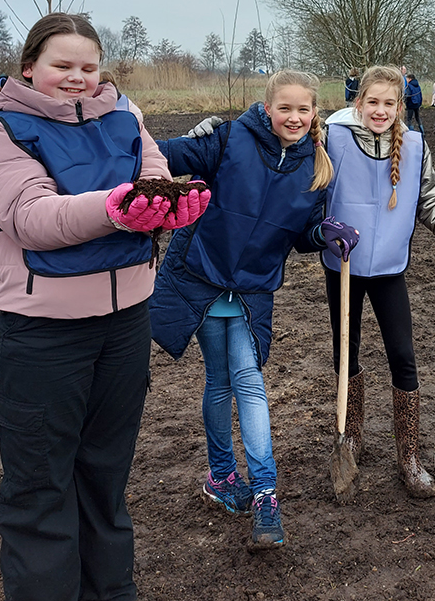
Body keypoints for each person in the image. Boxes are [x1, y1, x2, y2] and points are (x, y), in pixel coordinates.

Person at [0, 12, 209, 599]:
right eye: (62, 66)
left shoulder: (125, 116)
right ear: (30, 68)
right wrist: (119, 209)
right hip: (44, 332)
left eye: (89, 67)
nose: (77, 78)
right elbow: (32, 218)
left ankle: (111, 590)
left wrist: (168, 201)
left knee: (105, 473)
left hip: (125, 323)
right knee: (41, 484)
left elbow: (153, 173)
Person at [150, 71, 355, 550]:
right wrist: (170, 135)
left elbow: (304, 234)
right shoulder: (228, 139)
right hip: (200, 277)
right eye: (285, 108)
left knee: (247, 381)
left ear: (314, 113)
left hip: (252, 291)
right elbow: (160, 156)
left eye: (303, 109)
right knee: (220, 382)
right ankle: (223, 477)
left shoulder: (316, 168)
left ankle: (264, 492)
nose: (294, 118)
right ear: (267, 108)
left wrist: (325, 233)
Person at [322, 65, 435, 497]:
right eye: (372, 102)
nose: (380, 110)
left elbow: (430, 202)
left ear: (400, 107)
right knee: (347, 351)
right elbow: (308, 190)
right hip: (341, 267)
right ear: (357, 103)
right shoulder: (332, 139)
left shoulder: (416, 146)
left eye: (389, 103)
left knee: (403, 355)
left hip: (389, 270)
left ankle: (409, 457)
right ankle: (353, 435)